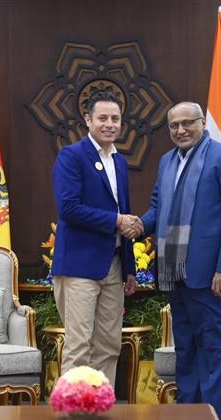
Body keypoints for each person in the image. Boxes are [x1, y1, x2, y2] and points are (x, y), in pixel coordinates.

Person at [131, 102, 221, 420]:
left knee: (211, 347)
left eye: (188, 123)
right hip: (175, 271)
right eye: (174, 125)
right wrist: (137, 226)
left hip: (211, 274)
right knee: (185, 347)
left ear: (202, 123)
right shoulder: (167, 161)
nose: (181, 130)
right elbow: (158, 208)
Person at [52, 90, 138, 386]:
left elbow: (124, 211)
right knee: (79, 347)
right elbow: (69, 208)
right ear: (88, 120)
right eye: (103, 118)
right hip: (79, 265)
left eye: (115, 119)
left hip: (114, 265)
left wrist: (129, 267)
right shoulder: (72, 156)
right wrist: (116, 221)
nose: (109, 124)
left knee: (109, 346)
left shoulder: (120, 162)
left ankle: (100, 406)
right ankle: (73, 409)